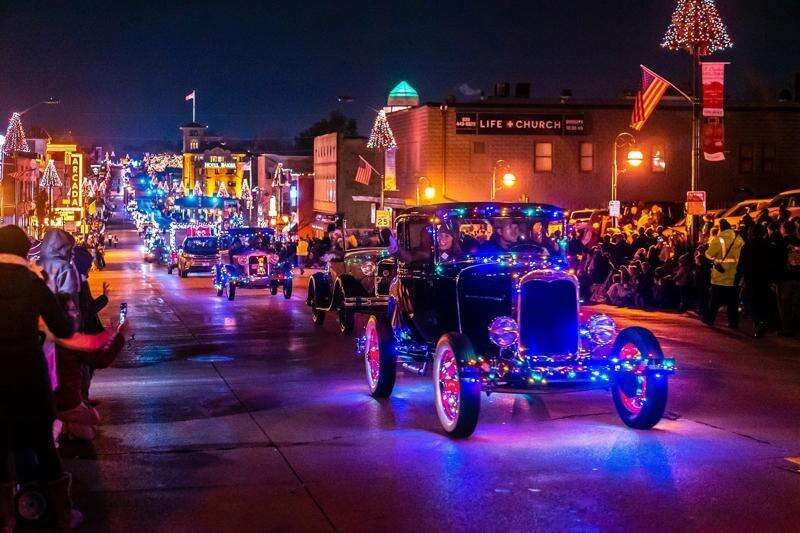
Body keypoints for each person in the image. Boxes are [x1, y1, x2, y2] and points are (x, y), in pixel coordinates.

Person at [0, 225, 114, 530]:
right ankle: (62, 514)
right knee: (42, 445)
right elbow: (64, 328)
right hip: (29, 378)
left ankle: (6, 518)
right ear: (25, 251)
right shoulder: (33, 283)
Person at [737, 223, 776, 337]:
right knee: (763, 300)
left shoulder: (747, 245)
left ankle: (757, 320)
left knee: (749, 299)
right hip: (765, 277)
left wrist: (739, 277)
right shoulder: (769, 245)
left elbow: (742, 263)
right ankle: (762, 321)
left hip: (751, 277)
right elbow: (773, 262)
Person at [703, 219, 744, 328]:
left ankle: (710, 320)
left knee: (714, 301)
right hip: (735, 276)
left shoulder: (719, 239)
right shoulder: (738, 239)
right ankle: (733, 323)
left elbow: (709, 254)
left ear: (720, 228)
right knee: (733, 303)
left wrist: (715, 260)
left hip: (720, 276)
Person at [775, 219, 800, 336]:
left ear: (783, 229)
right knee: (797, 304)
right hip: (798, 277)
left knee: (785, 305)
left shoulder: (780, 243)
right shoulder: (799, 242)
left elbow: (776, 263)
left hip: (784, 278)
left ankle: (787, 329)